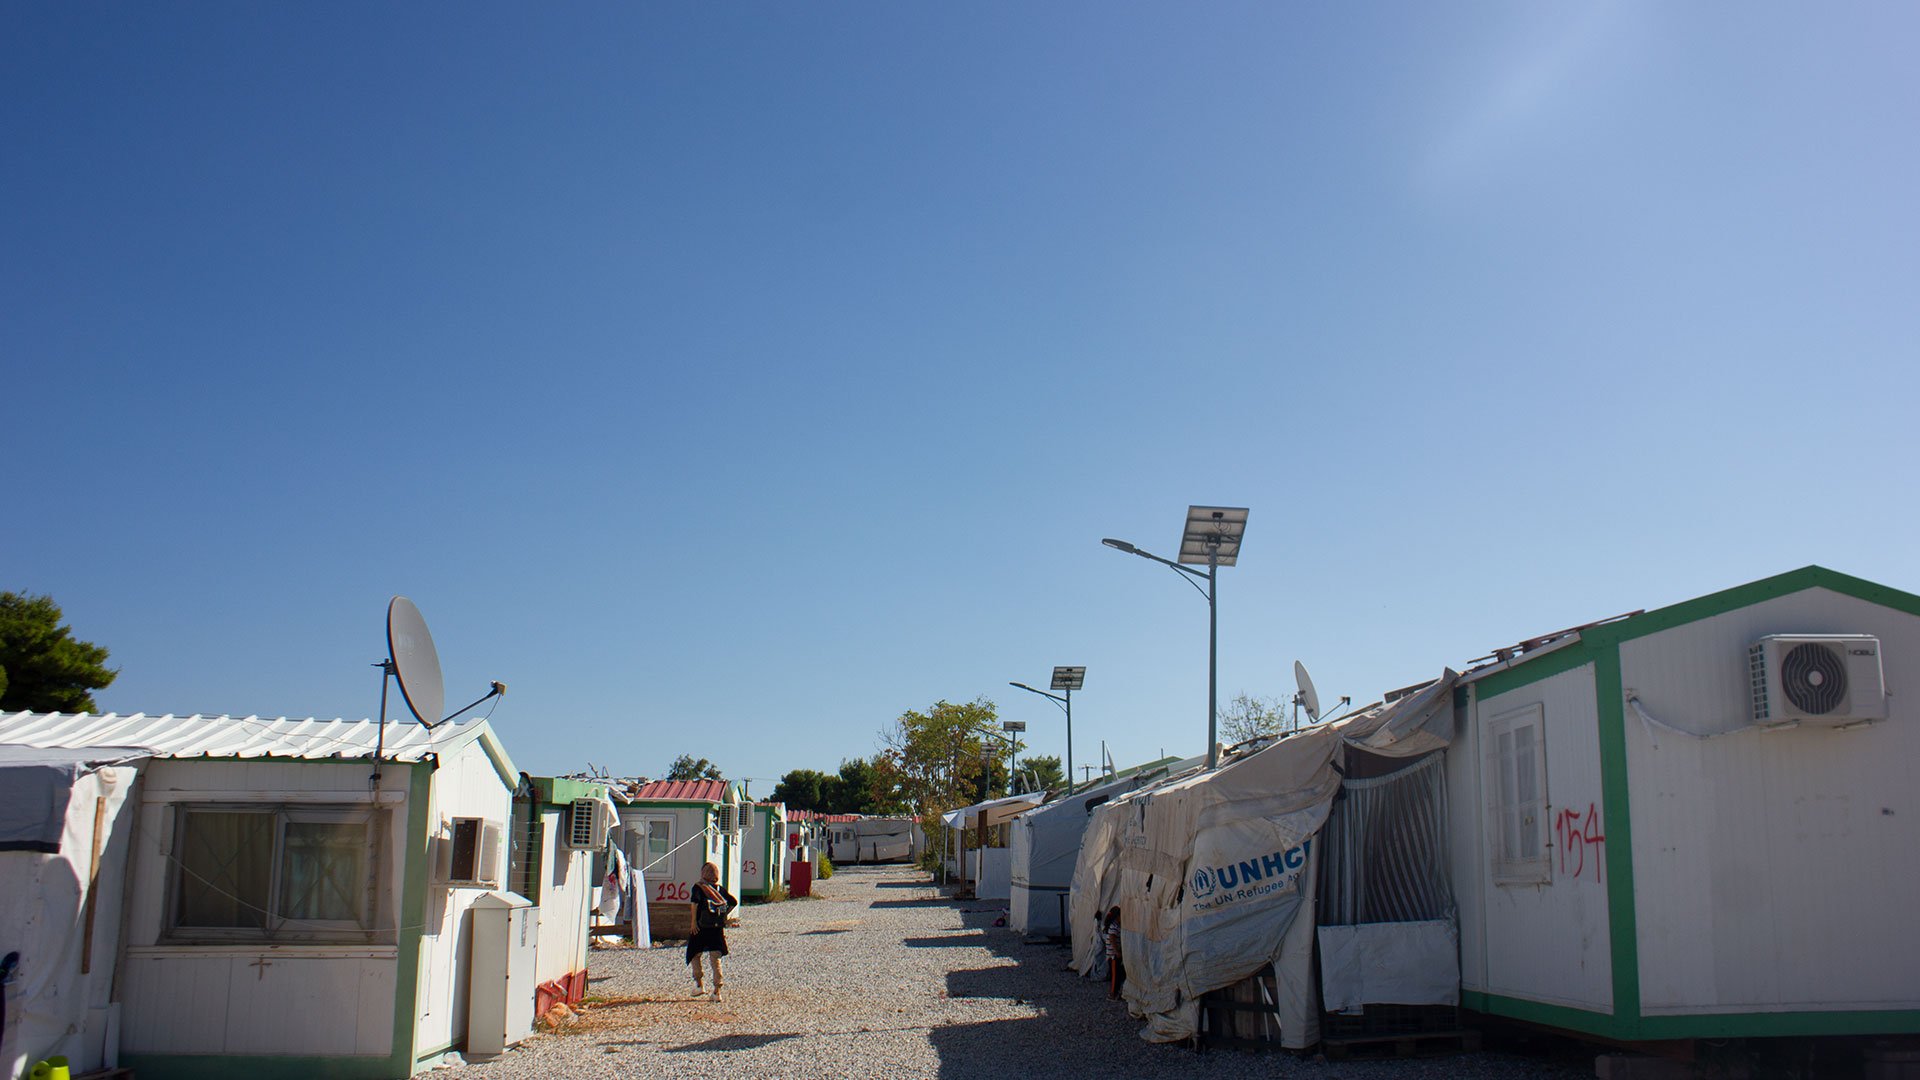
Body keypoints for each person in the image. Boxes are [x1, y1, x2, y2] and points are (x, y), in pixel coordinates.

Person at [687, 861, 738, 1001]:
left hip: (701, 927)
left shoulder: (699, 887)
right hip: (716, 929)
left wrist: (693, 923)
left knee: (694, 953)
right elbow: (733, 902)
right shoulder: (720, 890)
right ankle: (717, 991)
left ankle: (699, 984)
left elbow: (694, 904)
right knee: (715, 958)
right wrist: (723, 915)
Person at [1103, 906, 1124, 1000]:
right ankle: (1112, 994)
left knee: (1118, 974)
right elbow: (1112, 938)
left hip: (1114, 955)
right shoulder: (1114, 926)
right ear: (1117, 916)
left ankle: (1116, 992)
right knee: (1115, 976)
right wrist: (1116, 951)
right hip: (1113, 956)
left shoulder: (1115, 925)